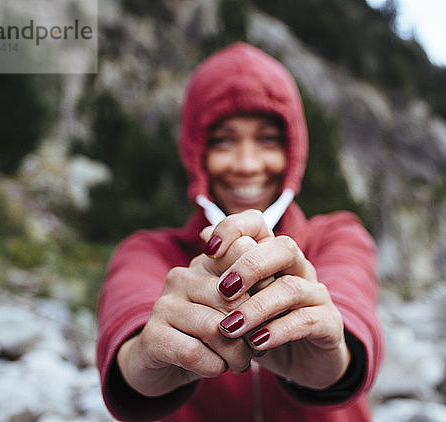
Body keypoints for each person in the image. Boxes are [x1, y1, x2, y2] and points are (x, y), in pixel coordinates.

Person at [96, 42, 383, 421]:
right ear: (195, 152)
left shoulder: (338, 235)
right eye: (224, 140)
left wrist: (329, 358)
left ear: (293, 150)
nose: (247, 165)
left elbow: (352, 309)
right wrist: (145, 358)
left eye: (267, 139)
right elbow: (127, 326)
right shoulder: (147, 252)